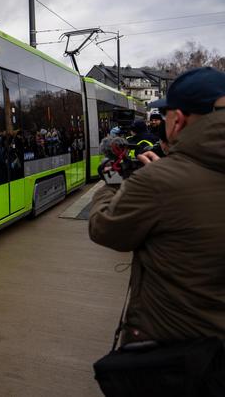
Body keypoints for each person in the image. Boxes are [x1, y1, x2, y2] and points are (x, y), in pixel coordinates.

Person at [89, 67, 225, 350]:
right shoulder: (167, 177)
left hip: (177, 350)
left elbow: (105, 228)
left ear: (178, 120)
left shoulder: (157, 182)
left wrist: (113, 185)